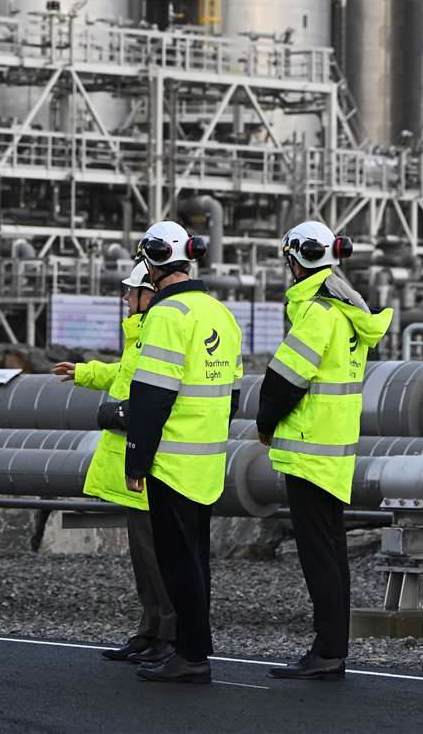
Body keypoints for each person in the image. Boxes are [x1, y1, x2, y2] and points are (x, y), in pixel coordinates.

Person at [256, 219, 392, 681]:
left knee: (319, 554)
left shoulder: (317, 312)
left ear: (297, 260)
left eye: (288, 260)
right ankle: (333, 646)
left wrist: (265, 421)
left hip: (310, 449)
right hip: (335, 449)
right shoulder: (347, 309)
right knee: (331, 550)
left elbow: (285, 378)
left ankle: (327, 650)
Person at [123, 220, 243, 687]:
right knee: (198, 562)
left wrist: (137, 461)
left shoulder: (167, 317)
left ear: (153, 261)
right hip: (209, 460)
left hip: (171, 463)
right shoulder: (220, 313)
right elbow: (233, 396)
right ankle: (195, 649)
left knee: (178, 564)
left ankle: (190, 657)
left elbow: (151, 397)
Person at [52, 261, 176, 665]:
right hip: (135, 462)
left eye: (131, 291)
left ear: (149, 295)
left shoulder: (158, 333)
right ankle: (150, 629)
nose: (125, 298)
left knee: (157, 556)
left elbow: (152, 394)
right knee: (144, 556)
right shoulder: (141, 337)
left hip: (149, 464)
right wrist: (85, 372)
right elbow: (125, 375)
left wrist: (115, 415)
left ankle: (167, 635)